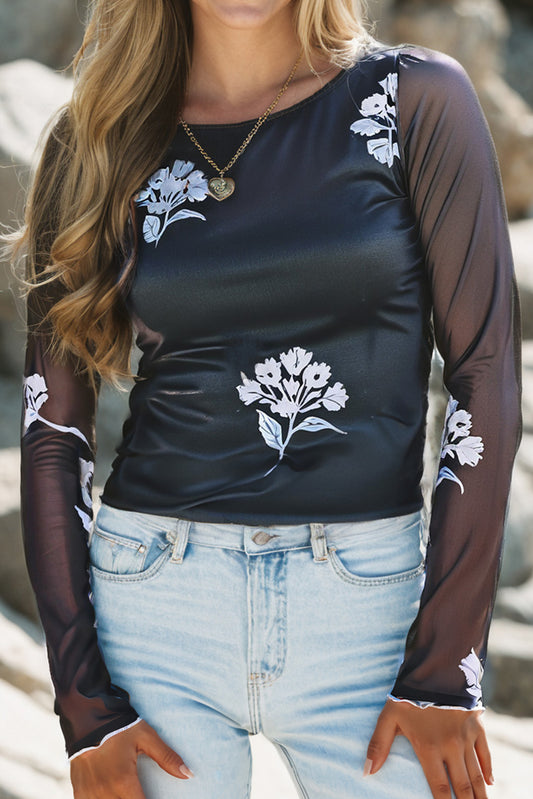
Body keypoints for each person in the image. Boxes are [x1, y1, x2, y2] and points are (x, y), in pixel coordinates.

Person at [10, 0, 522, 797]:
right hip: (152, 606)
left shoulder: (413, 98)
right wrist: (84, 703)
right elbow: (52, 429)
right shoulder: (100, 137)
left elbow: (483, 374)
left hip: (368, 614)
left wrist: (441, 662)